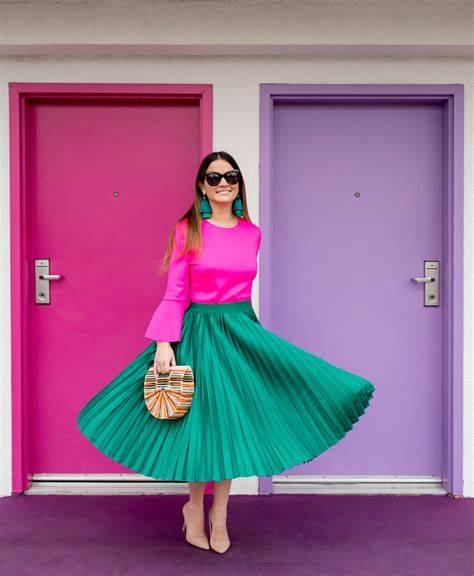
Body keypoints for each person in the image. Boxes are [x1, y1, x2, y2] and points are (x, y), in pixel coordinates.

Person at [77, 150, 375, 554]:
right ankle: (195, 509)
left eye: (230, 177)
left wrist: (250, 334)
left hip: (239, 331)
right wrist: (164, 342)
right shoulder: (188, 229)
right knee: (201, 425)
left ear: (238, 184)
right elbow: (176, 292)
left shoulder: (252, 232)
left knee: (232, 423)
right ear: (202, 185)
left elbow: (243, 290)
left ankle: (221, 515)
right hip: (197, 332)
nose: (223, 183)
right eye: (214, 177)